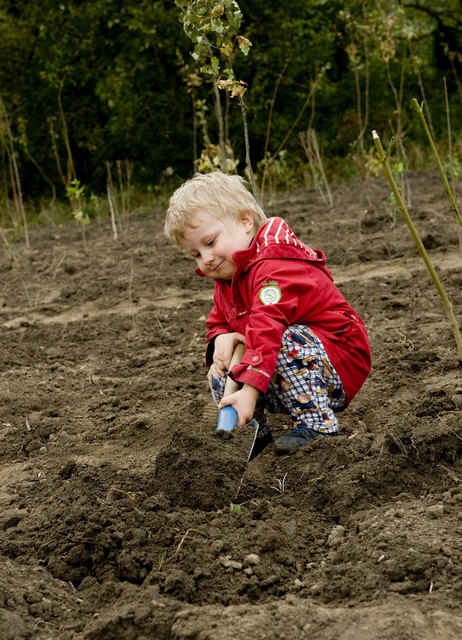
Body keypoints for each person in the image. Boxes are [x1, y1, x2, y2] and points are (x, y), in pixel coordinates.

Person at [164, 171, 371, 454]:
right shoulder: (228, 278)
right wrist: (220, 338)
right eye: (196, 254)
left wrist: (249, 392)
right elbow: (218, 321)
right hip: (284, 369)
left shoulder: (275, 264)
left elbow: (267, 327)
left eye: (210, 243)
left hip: (338, 360)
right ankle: (251, 434)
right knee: (219, 367)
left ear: (245, 221)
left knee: (289, 340)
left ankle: (318, 426)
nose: (206, 259)